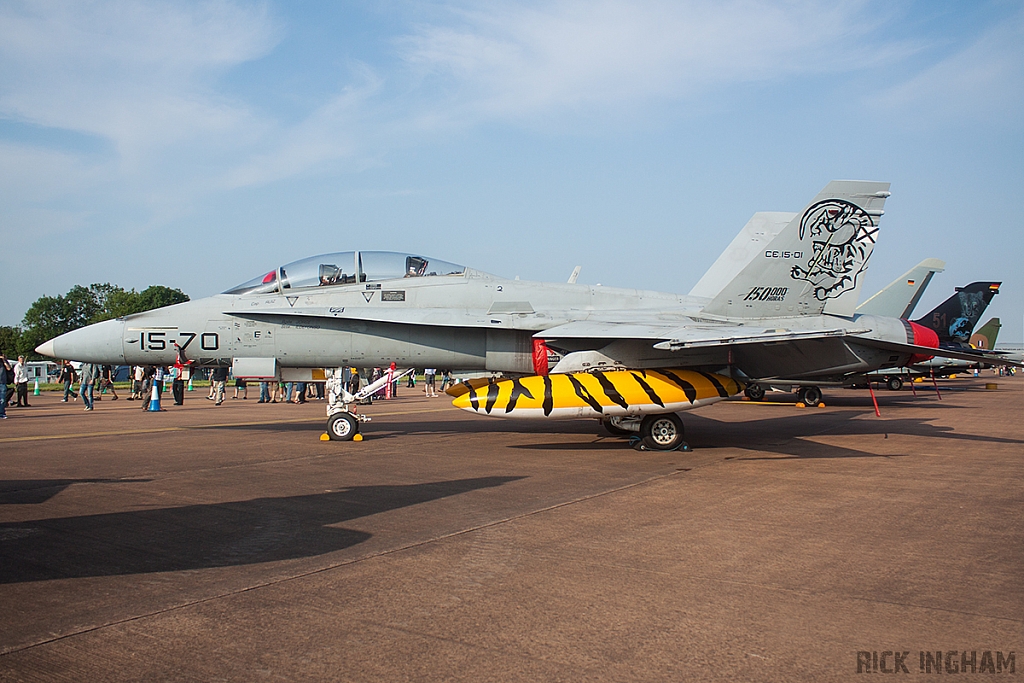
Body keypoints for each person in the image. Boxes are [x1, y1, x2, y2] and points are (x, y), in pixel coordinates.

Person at [0, 354, 11, 419]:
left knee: (2, 399)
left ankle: (1, 413)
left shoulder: (4, 363)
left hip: (2, 383)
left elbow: (9, 368)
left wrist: (4, 360)